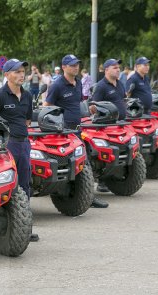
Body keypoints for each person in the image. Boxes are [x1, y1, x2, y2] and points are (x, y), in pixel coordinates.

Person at [44, 54, 108, 209]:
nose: (76, 67)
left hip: (77, 130)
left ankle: (88, 196)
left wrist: (89, 109)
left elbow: (77, 103)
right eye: (72, 65)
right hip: (62, 133)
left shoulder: (78, 83)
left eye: (77, 64)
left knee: (84, 163)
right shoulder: (57, 85)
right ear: (64, 67)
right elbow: (46, 106)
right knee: (66, 163)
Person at [0, 58, 39, 242]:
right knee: (6, 186)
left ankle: (24, 229)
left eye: (22, 71)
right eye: (16, 71)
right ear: (7, 75)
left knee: (24, 186)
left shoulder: (27, 96)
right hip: (6, 147)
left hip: (23, 145)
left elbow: (27, 121)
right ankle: (2, 230)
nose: (21, 74)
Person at [90, 58, 127, 191]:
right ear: (106, 70)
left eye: (118, 67)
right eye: (115, 67)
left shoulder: (120, 84)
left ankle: (116, 178)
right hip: (106, 126)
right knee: (108, 153)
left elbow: (123, 99)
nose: (118, 69)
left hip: (120, 124)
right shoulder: (101, 86)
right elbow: (93, 107)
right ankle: (102, 181)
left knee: (122, 152)